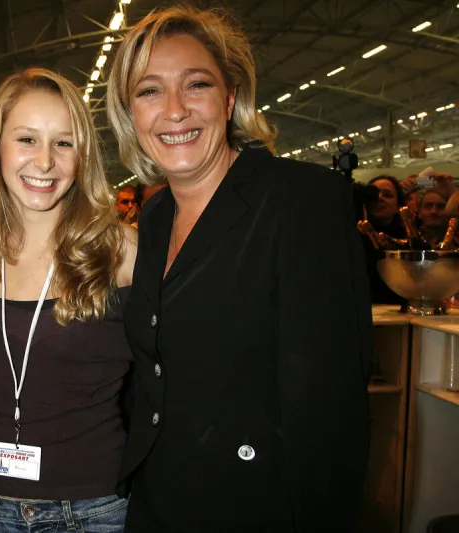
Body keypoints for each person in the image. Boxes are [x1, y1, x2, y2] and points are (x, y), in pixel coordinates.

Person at [107, 6, 372, 532]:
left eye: (196, 84)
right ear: (130, 112)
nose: (175, 110)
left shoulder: (301, 200)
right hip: (158, 499)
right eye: (150, 90)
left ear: (229, 99)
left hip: (256, 505)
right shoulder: (155, 214)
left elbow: (332, 407)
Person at [0, 67, 137, 532]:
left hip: (93, 508)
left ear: (83, 156)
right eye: (26, 139)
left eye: (63, 142)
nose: (44, 162)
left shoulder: (122, 252)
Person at [361, 176, 407, 303]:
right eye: (374, 194)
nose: (379, 198)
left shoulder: (407, 240)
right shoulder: (351, 237)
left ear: (399, 205)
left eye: (387, 195)